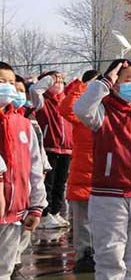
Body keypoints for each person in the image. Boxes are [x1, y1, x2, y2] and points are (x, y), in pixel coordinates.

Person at [74, 60, 131, 280]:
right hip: (110, 197)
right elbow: (80, 109)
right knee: (110, 259)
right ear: (115, 83)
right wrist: (104, 81)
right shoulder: (102, 111)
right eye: (127, 79)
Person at [0, 62, 46, 280]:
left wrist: (36, 206)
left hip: (12, 215)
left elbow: (34, 168)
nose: (8, 88)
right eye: (2, 82)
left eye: (11, 82)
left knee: (4, 272)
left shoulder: (23, 125)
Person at [59, 70, 100, 273]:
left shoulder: (105, 109)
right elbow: (66, 108)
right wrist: (84, 85)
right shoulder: (82, 112)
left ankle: (101, 253)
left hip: (105, 174)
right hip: (83, 174)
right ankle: (84, 254)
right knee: (82, 220)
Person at [29, 72, 71, 230]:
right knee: (49, 182)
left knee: (60, 183)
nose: (58, 84)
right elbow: (35, 89)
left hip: (66, 148)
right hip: (49, 147)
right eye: (54, 81)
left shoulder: (66, 101)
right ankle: (45, 214)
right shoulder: (41, 101)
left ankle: (55, 212)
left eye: (61, 81)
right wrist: (50, 78)